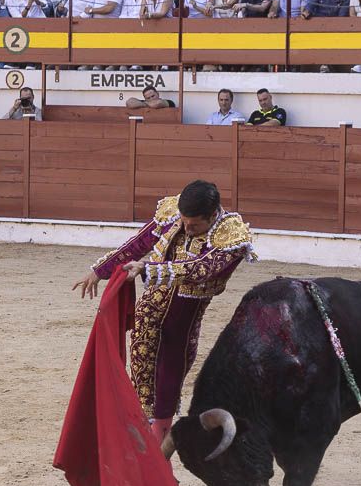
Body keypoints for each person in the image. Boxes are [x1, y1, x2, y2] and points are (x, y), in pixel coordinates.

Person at [72, 180, 255, 432]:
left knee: (169, 376)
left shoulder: (231, 235)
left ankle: (158, 440)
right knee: (141, 371)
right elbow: (137, 244)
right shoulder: (174, 214)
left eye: (194, 225)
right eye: (184, 222)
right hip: (148, 313)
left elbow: (202, 269)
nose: (187, 229)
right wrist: (98, 271)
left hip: (182, 321)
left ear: (213, 215)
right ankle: (143, 432)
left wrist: (148, 268)